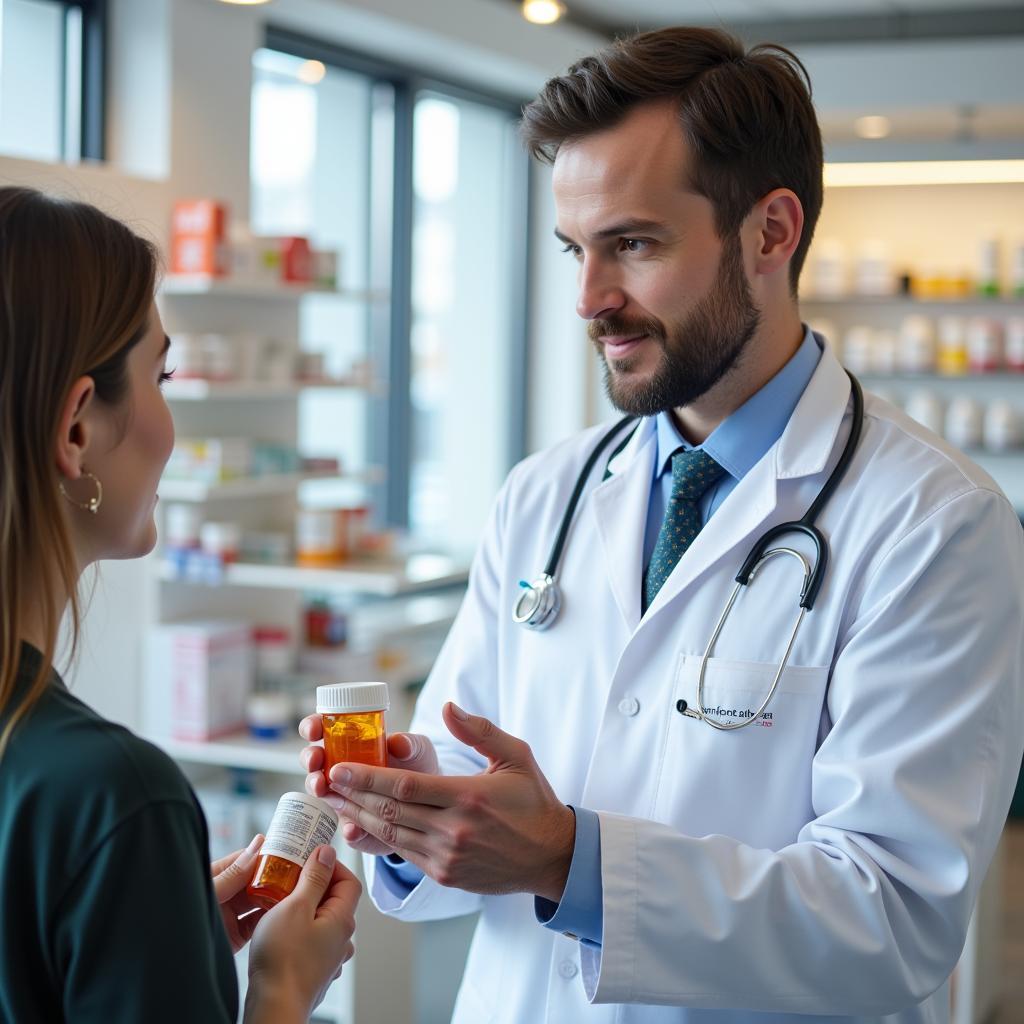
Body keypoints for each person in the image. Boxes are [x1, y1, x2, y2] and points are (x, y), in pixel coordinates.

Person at [300, 26, 1024, 1024]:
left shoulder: (933, 523)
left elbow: (891, 918)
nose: (591, 300)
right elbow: (476, 773)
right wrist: (411, 804)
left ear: (771, 232)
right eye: (575, 249)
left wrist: (569, 858)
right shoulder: (543, 496)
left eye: (632, 244)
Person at [0, 186, 360, 1024]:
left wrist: (153, 930)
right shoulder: (113, 797)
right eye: (161, 375)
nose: (170, 420)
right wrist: (278, 991)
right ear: (76, 431)